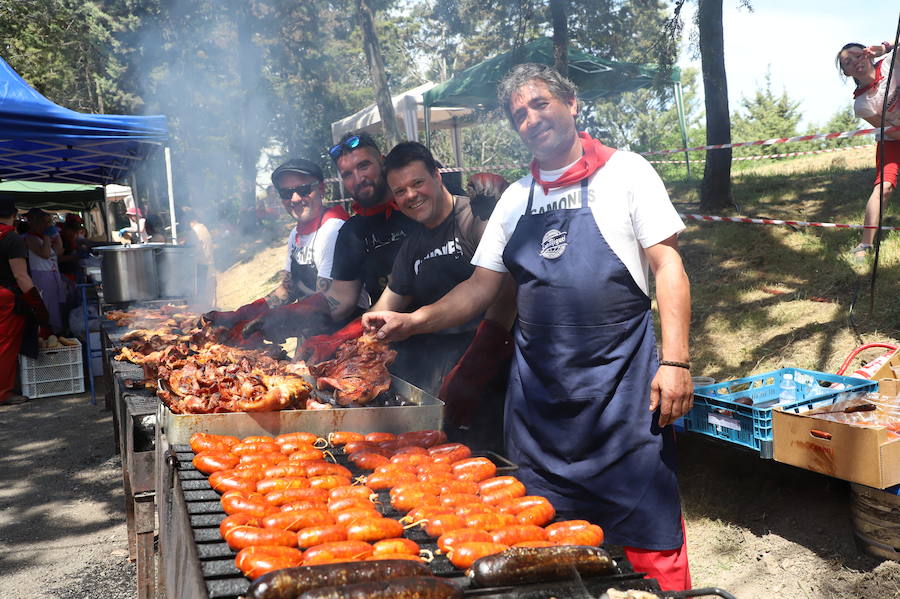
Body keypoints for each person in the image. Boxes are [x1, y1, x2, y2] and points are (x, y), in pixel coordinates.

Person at [363, 64, 693, 591]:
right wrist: (412, 320)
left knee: (649, 529)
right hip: (539, 406)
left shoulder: (627, 173)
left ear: (571, 103)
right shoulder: (517, 199)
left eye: (540, 104)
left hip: (621, 394)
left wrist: (675, 362)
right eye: (519, 113)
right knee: (546, 542)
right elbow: (478, 288)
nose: (531, 118)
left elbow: (668, 266)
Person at [300, 142, 515, 448]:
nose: (411, 195)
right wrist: (338, 342)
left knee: (493, 453)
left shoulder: (475, 218)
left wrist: (473, 366)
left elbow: (492, 290)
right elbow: (385, 306)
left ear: (437, 176)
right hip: (441, 370)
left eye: (418, 183)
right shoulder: (413, 245)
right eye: (400, 191)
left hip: (492, 366)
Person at [240, 132, 416, 345]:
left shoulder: (414, 205)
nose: (358, 179)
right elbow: (340, 299)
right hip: (395, 342)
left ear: (383, 160)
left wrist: (337, 337)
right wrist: (280, 316)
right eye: (347, 174)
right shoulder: (352, 232)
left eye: (364, 166)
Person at [204, 158, 351, 344]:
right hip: (309, 336)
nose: (295, 199)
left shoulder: (335, 229)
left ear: (321, 189)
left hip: (340, 340)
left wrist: (279, 318)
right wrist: (242, 314)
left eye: (304, 190)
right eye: (286, 193)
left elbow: (331, 301)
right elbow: (288, 289)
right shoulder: (295, 234)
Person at [836, 40, 900, 260]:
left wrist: (886, 47)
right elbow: (889, 131)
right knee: (884, 188)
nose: (855, 62)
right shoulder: (861, 103)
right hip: (891, 140)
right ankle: (865, 245)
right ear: (845, 72)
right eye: (847, 62)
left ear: (868, 54)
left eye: (857, 55)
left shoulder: (893, 62)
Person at [0, 197, 50, 404]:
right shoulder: (11, 239)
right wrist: (37, 304)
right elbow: (21, 276)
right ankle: (3, 393)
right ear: (14, 214)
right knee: (5, 344)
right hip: (4, 298)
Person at [23, 208, 69, 334]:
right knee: (48, 307)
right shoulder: (30, 238)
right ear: (37, 223)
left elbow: (59, 251)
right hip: (41, 277)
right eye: (46, 222)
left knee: (57, 307)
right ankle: (48, 333)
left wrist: (57, 237)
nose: (49, 225)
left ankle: (58, 332)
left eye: (50, 222)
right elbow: (45, 253)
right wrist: (47, 237)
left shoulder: (46, 237)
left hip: (54, 275)